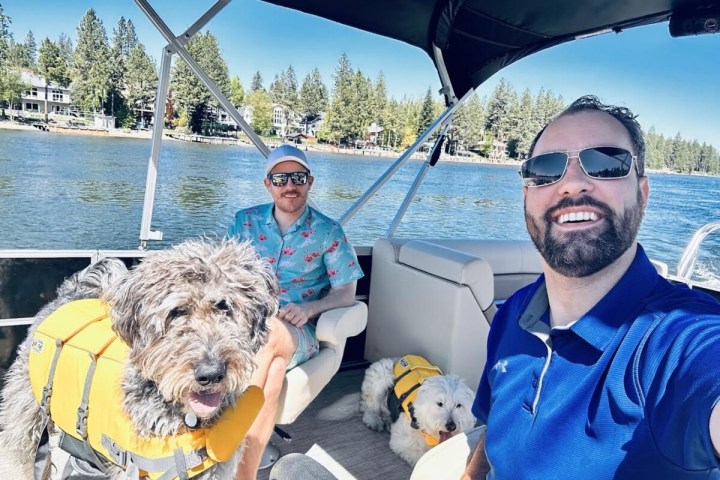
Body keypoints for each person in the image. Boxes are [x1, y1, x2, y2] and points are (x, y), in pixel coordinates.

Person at [463, 96, 720, 479]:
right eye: (547, 169)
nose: (572, 184)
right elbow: (495, 425)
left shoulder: (677, 337)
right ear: (526, 198)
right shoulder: (513, 313)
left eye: (605, 163)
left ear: (642, 193)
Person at [228, 143, 364, 480]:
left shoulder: (328, 231)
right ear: (268, 184)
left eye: (298, 177)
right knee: (271, 372)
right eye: (281, 178)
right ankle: (242, 466)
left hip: (296, 328)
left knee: (272, 335)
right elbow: (223, 273)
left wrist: (310, 307)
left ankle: (229, 452)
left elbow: (347, 291)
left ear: (310, 181)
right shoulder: (244, 222)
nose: (290, 185)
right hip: (243, 319)